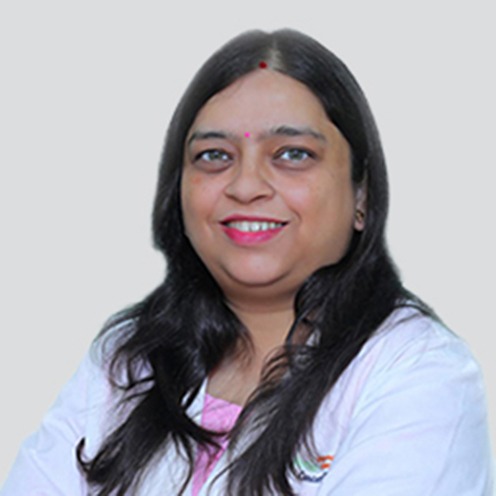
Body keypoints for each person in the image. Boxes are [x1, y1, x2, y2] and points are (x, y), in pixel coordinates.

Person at [1, 28, 493, 496]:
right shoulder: (127, 355)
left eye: (293, 154)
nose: (245, 185)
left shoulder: (419, 373)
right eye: (214, 155)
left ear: (361, 193)